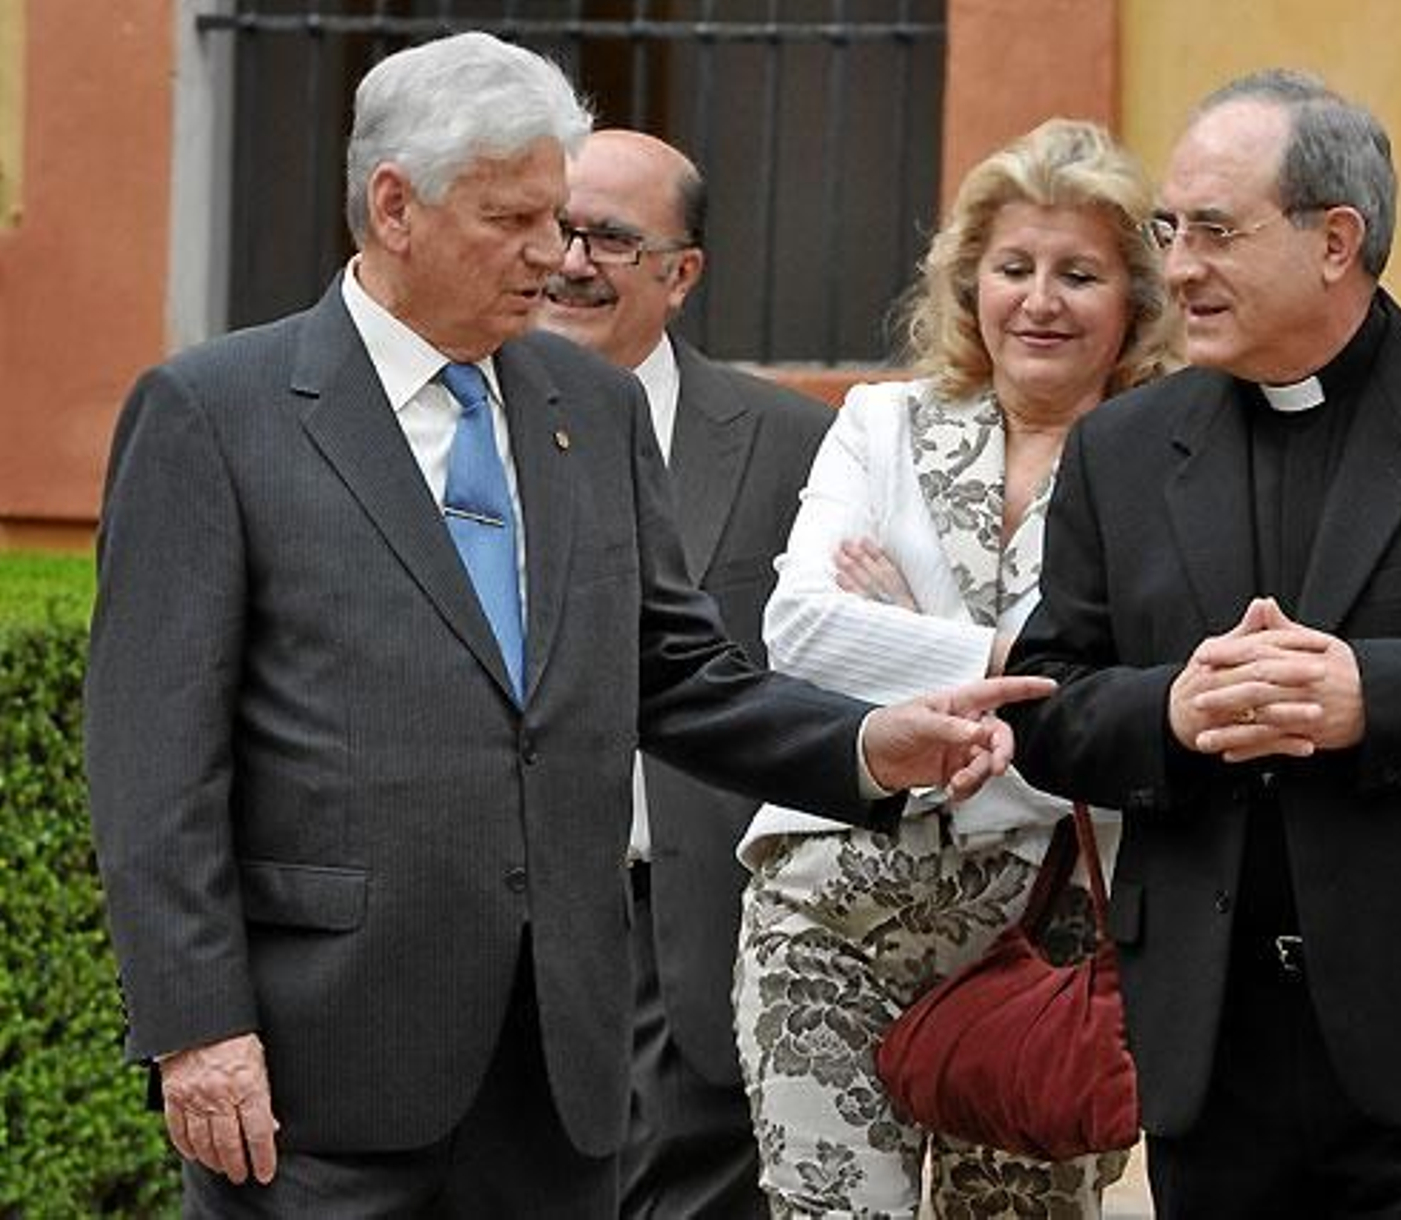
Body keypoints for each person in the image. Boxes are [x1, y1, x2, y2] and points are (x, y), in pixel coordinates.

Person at [81, 32, 1052, 1217]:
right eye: (515, 220)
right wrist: (197, 1029)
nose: (554, 255)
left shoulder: (587, 406)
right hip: (316, 1068)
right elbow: (153, 762)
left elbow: (676, 672)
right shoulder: (216, 413)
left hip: (558, 1068)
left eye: (562, 217)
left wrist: (862, 745)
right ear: (395, 205)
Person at [1003, 69, 1401, 1218]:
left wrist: (1372, 693)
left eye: (1216, 231)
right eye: (1168, 229)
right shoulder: (1122, 448)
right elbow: (1046, 702)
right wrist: (1170, 713)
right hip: (1208, 1044)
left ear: (1337, 239)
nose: (1176, 268)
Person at [730, 118, 1176, 1217]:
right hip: (824, 914)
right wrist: (1025, 664)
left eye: (1078, 273)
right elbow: (798, 632)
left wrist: (906, 627)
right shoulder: (882, 423)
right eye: (1012, 268)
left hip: (1053, 933)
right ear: (969, 280)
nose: (1039, 300)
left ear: (1133, 300)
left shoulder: (1170, 459)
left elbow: (1130, 714)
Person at [534, 128, 834, 1219]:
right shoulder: (457, 429)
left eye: (609, 237)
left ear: (682, 272)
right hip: (513, 932)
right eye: (553, 228)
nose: (570, 259)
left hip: (704, 933)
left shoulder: (797, 443)